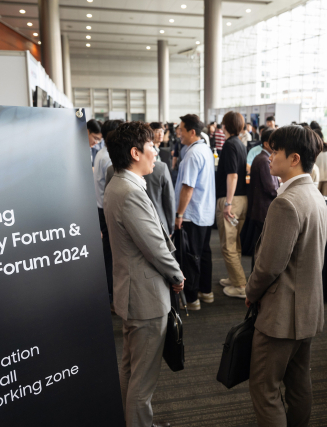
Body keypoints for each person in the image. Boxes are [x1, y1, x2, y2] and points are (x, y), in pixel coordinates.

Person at [245, 125, 327, 427]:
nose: (269, 156)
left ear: (294, 158)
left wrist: (250, 292)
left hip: (281, 315)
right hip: (307, 309)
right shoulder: (316, 196)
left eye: (275, 151)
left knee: (264, 388)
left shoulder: (286, 202)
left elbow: (268, 266)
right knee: (298, 383)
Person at [103, 121, 184, 427]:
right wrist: (177, 276)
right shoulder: (129, 191)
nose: (157, 151)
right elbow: (155, 248)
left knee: (131, 369)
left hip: (132, 291)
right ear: (135, 152)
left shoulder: (120, 184)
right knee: (143, 380)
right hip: (146, 297)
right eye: (152, 146)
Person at [174, 114, 216, 310]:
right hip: (204, 211)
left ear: (192, 132)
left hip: (192, 213)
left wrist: (179, 214)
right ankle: (205, 291)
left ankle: (192, 299)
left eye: (181, 130)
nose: (178, 133)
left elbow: (187, 187)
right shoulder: (204, 149)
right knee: (203, 253)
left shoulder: (192, 154)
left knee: (190, 256)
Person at [216, 111, 249, 298]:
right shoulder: (240, 144)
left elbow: (233, 175)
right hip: (242, 199)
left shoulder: (229, 145)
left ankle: (240, 285)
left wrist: (228, 202)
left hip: (232, 200)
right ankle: (234, 277)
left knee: (228, 244)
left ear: (225, 125)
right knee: (234, 242)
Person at [94, 119, 122, 307]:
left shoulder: (102, 153)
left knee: (109, 253)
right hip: (107, 209)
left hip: (101, 207)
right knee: (112, 255)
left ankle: (110, 295)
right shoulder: (108, 157)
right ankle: (112, 296)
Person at [246, 129, 278, 268]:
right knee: (262, 249)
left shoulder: (261, 158)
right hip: (263, 210)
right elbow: (270, 188)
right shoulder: (264, 160)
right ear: (266, 143)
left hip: (260, 209)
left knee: (260, 247)